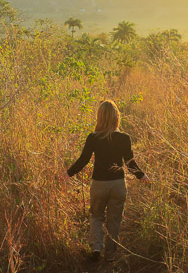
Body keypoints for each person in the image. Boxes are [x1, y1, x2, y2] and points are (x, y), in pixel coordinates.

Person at [65, 100, 150, 262]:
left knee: (96, 216)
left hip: (99, 184)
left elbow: (83, 160)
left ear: (99, 117)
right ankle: (110, 255)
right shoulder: (125, 138)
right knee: (114, 219)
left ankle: (96, 248)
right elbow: (130, 163)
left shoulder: (93, 138)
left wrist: (67, 174)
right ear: (116, 117)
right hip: (118, 185)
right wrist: (142, 176)